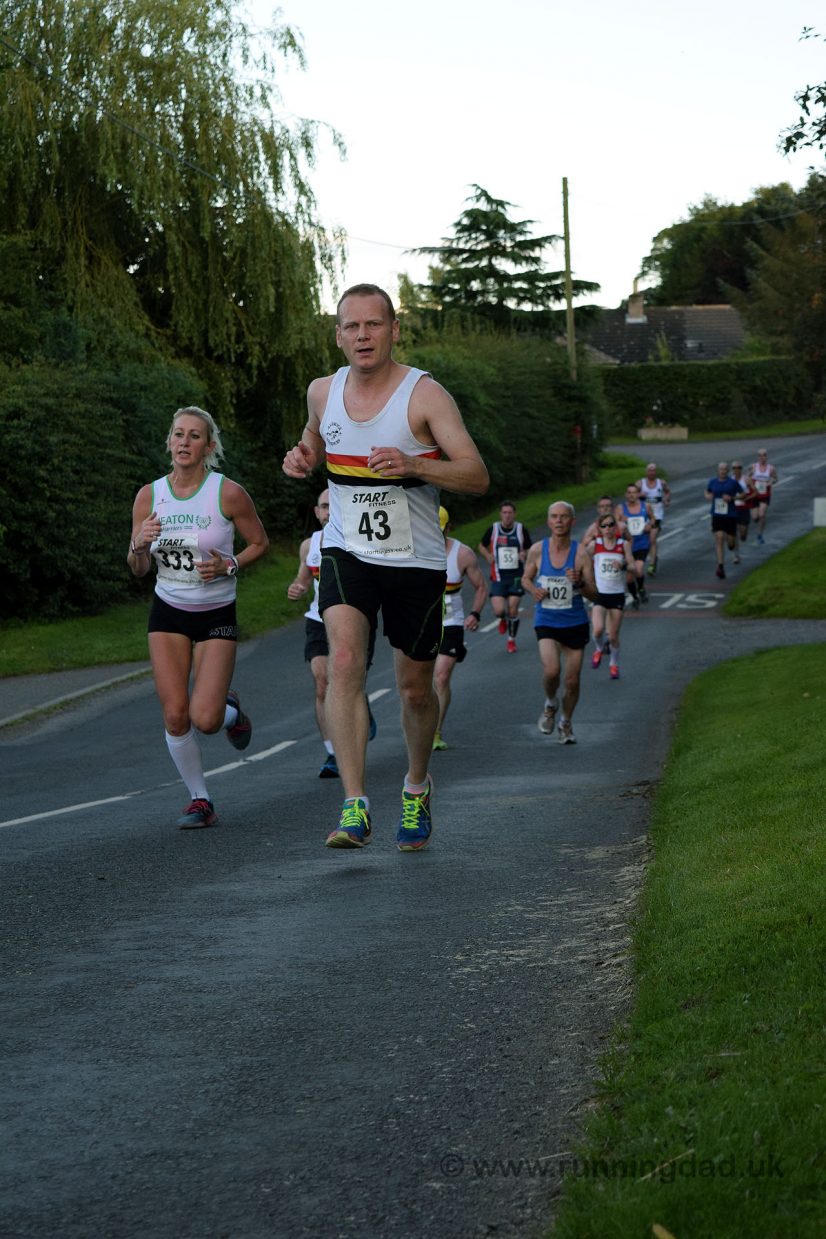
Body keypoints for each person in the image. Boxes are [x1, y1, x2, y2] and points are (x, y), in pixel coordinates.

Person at [282, 283, 489, 851]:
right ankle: (354, 806)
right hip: (347, 551)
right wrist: (302, 457)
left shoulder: (425, 396)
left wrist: (417, 465)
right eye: (352, 327)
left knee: (415, 689)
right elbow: (313, 442)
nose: (363, 336)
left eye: (374, 325)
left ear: (394, 330)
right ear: (339, 335)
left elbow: (475, 474)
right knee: (343, 660)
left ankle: (416, 786)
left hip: (417, 561)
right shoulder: (322, 392)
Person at [128, 406, 269, 829]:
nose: (184, 443)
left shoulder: (227, 493)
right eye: (178, 435)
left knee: (205, 719)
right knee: (176, 714)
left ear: (208, 446)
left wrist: (231, 565)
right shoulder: (149, 496)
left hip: (216, 612)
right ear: (169, 442)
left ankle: (231, 714)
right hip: (168, 608)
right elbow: (137, 567)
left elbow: (260, 543)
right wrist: (139, 544)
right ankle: (200, 799)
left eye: (194, 436)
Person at [287, 489, 378, 778]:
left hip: (350, 619)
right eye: (323, 506)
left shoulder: (358, 540)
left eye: (332, 506)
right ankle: (332, 752)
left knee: (348, 679)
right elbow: (302, 577)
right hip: (317, 618)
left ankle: (358, 704)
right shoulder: (308, 545)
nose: (328, 511)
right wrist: (297, 587)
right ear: (316, 512)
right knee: (321, 681)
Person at [522, 501, 597, 744]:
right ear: (548, 521)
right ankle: (550, 703)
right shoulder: (537, 550)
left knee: (572, 680)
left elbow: (595, 594)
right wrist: (534, 589)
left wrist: (580, 583)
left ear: (572, 521)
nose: (559, 521)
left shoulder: (582, 554)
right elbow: (525, 578)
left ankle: (566, 722)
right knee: (552, 670)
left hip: (574, 621)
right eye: (554, 516)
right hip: (547, 620)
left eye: (564, 517)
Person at [432, 506, 488, 751]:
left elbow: (481, 587)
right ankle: (421, 726)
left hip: (451, 624)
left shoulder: (462, 554)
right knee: (419, 682)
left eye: (440, 528)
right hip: (423, 625)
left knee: (441, 677)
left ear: (448, 527)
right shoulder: (412, 552)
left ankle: (435, 731)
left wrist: (474, 613)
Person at [584, 511, 633, 680]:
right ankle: (598, 649)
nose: (608, 528)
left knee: (612, 636)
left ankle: (613, 664)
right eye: (604, 526)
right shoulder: (594, 545)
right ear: (600, 528)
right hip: (600, 594)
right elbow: (581, 560)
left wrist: (623, 564)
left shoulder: (623, 544)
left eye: (611, 525)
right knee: (597, 630)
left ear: (616, 527)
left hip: (617, 594)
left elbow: (633, 566)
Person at [478, 501, 532, 653]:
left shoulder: (521, 530)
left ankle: (511, 640)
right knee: (499, 610)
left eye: (510, 513)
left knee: (513, 609)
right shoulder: (494, 529)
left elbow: (530, 548)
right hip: (499, 576)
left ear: (514, 514)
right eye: (504, 512)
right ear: (500, 514)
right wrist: (488, 555)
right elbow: (481, 545)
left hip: (516, 576)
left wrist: (525, 553)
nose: (507, 516)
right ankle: (502, 619)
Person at [615, 483, 652, 608]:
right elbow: (614, 525)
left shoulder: (646, 506)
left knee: (639, 568)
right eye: (629, 492)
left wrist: (650, 525)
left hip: (642, 543)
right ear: (626, 495)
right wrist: (621, 522)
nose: (631, 495)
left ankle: (641, 588)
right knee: (629, 578)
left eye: (634, 492)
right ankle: (635, 597)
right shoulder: (620, 509)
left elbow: (653, 519)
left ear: (638, 494)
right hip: (626, 547)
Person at [704, 461, 741, 579]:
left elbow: (743, 494)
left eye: (725, 469)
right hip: (717, 515)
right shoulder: (713, 482)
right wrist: (708, 496)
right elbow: (707, 491)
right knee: (719, 538)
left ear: (728, 471)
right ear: (718, 471)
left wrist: (732, 498)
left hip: (730, 515)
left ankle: (733, 546)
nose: (723, 471)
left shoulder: (733, 483)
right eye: (721, 469)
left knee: (730, 543)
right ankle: (720, 566)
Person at [636, 463, 671, 576]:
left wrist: (666, 500)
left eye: (654, 471)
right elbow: (631, 495)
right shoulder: (640, 483)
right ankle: (652, 557)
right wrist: (639, 495)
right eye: (650, 470)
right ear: (646, 472)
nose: (652, 472)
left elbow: (667, 492)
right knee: (644, 539)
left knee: (652, 538)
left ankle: (651, 564)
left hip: (657, 515)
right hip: (644, 516)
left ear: (656, 472)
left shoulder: (661, 483)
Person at [749, 447, 778, 543]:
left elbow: (775, 478)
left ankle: (760, 535)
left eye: (764, 455)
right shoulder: (753, 467)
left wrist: (770, 482)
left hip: (765, 495)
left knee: (761, 515)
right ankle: (758, 519)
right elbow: (747, 478)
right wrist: (751, 485)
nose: (762, 457)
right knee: (755, 517)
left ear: (767, 457)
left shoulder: (771, 468)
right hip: (754, 495)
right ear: (758, 457)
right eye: (760, 455)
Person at [730, 461, 755, 562]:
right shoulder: (729, 480)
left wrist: (747, 498)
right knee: (733, 532)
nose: (737, 469)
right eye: (734, 468)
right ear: (732, 469)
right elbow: (722, 496)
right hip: (732, 509)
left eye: (739, 467)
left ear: (741, 469)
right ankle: (736, 556)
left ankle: (743, 535)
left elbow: (755, 492)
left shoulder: (746, 479)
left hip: (743, 509)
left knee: (743, 535)